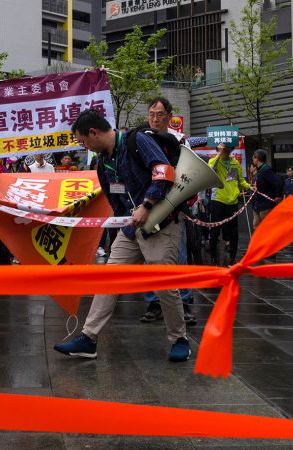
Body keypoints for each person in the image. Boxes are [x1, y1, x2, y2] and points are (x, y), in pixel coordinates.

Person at [54, 109, 191, 362]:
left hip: (162, 224)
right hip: (130, 230)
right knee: (109, 278)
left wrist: (147, 204)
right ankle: (88, 338)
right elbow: (115, 201)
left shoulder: (136, 140)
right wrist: (121, 226)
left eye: (84, 141)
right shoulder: (104, 162)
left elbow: (163, 171)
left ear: (94, 133)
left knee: (164, 285)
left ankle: (179, 338)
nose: (85, 146)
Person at [141, 97, 196, 325]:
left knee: (178, 256)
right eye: (152, 114)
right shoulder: (141, 139)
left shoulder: (180, 141)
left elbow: (191, 173)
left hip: (174, 208)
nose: (155, 118)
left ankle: (183, 301)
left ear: (170, 117)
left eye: (160, 114)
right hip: (149, 206)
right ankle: (154, 302)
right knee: (149, 258)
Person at [208, 142, 252, 266]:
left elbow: (240, 181)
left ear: (231, 148)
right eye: (223, 147)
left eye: (228, 147)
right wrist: (219, 155)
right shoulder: (213, 161)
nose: (226, 149)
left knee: (233, 232)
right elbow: (210, 172)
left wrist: (249, 186)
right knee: (215, 231)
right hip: (217, 200)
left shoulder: (235, 163)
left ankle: (232, 259)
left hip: (232, 202)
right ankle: (213, 258)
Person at [250, 149, 282, 227]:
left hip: (266, 204)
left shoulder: (266, 170)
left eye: (253, 157)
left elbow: (278, 182)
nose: (252, 159)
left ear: (257, 159)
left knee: (267, 226)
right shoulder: (259, 170)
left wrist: (278, 196)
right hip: (257, 203)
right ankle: (259, 239)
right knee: (255, 225)